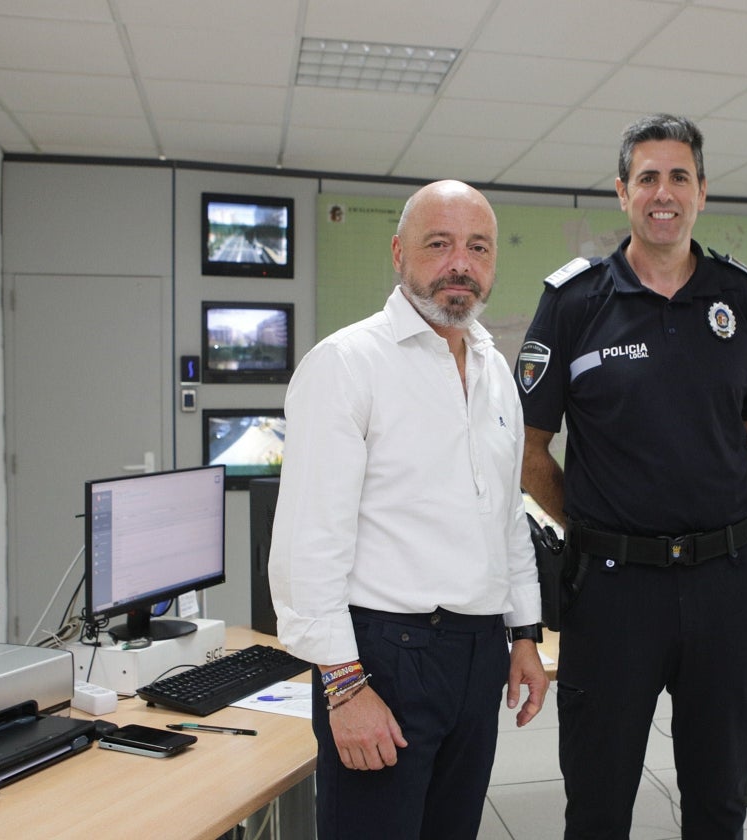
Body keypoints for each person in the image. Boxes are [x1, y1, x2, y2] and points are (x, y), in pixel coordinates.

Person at [516, 114, 747, 839]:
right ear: (621, 192)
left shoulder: (744, 299)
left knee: (719, 801)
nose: (662, 193)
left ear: (702, 191)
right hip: (611, 591)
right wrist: (596, 523)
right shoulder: (573, 303)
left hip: (725, 584)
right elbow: (528, 447)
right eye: (647, 178)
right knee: (599, 805)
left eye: (679, 177)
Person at [268, 179, 548, 840]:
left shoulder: (494, 370)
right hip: (384, 659)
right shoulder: (346, 364)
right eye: (439, 244)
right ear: (399, 254)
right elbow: (309, 541)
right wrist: (343, 686)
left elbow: (507, 516)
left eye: (478, 247)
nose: (461, 263)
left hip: (479, 654)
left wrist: (526, 634)